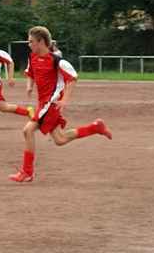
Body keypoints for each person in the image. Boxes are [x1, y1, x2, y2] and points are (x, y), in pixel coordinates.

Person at [9, 26, 112, 183]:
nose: (29, 44)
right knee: (60, 139)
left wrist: (65, 100)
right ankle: (95, 127)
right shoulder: (32, 57)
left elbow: (73, 78)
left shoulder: (57, 61)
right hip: (43, 103)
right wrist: (29, 86)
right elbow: (30, 73)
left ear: (41, 42)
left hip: (51, 103)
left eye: (31, 41)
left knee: (27, 130)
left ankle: (27, 172)